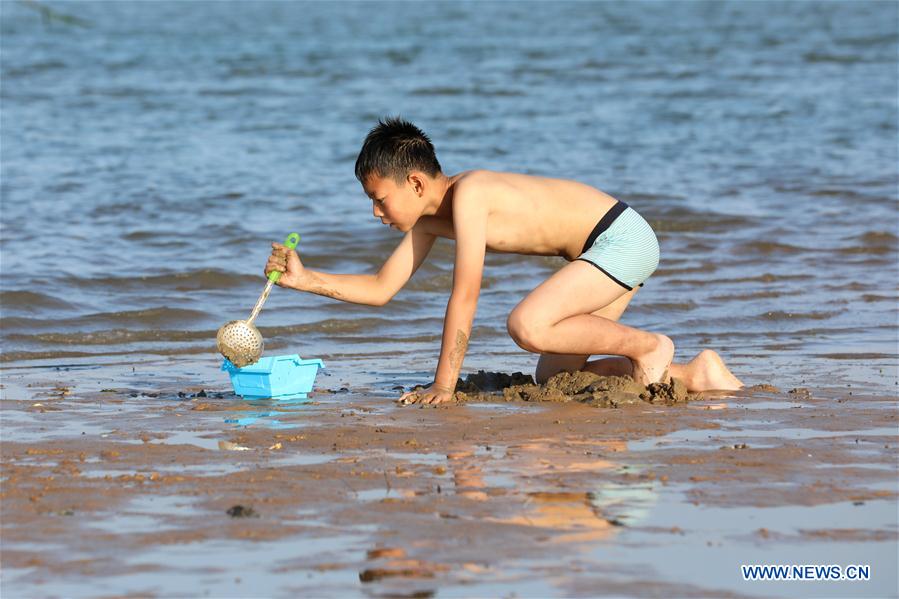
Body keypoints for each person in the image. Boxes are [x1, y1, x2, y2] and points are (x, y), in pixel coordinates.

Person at [265, 117, 743, 405]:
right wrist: (306, 280)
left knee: (526, 325)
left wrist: (444, 385)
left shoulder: (471, 194)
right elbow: (380, 287)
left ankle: (650, 346)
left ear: (414, 183)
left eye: (379, 198)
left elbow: (466, 293)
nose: (375, 212)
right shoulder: (430, 221)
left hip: (619, 237)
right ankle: (698, 375)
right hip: (599, 253)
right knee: (555, 377)